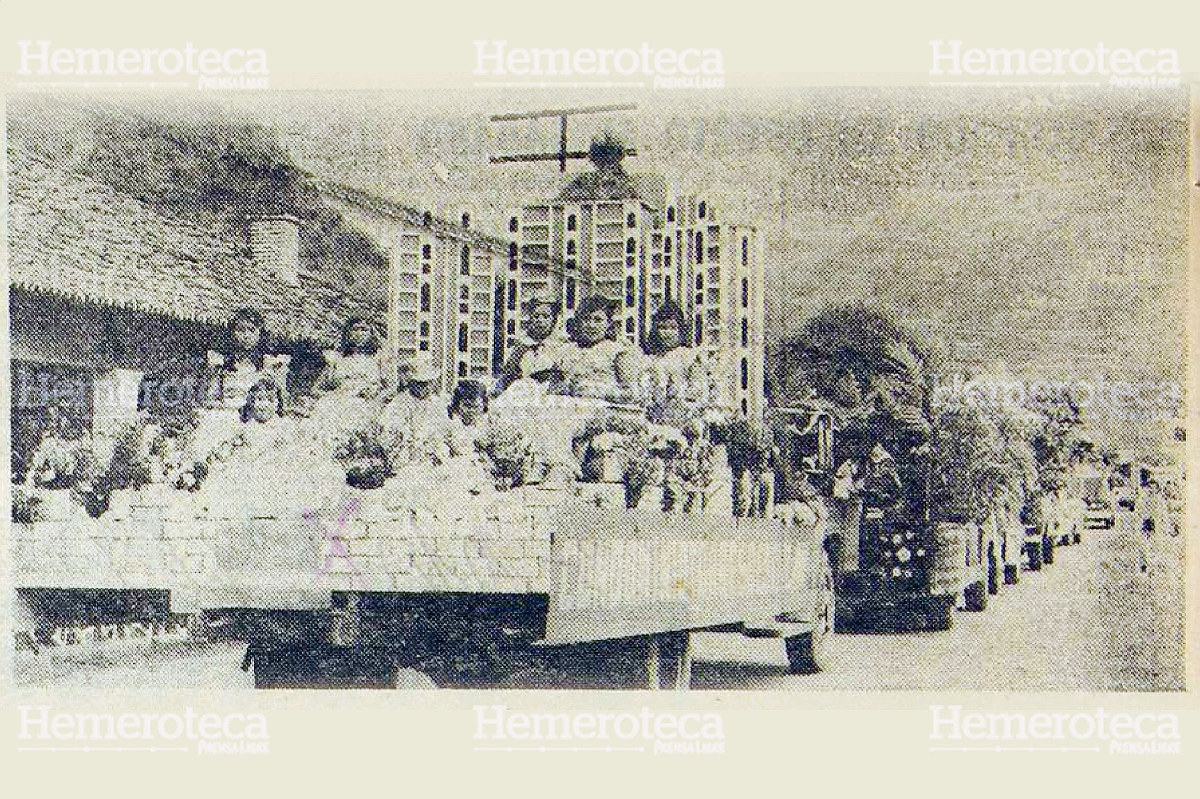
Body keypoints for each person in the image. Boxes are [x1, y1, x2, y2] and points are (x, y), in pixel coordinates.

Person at [553, 295, 638, 401]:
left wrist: (598, 392)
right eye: (586, 319)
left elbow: (632, 393)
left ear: (608, 324)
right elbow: (553, 385)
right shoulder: (566, 350)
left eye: (598, 320)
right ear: (579, 322)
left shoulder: (618, 351)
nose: (591, 325)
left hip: (603, 413)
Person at [640, 300, 709, 427]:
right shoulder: (651, 359)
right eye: (662, 328)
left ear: (681, 330)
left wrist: (678, 392)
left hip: (684, 417)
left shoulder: (688, 356)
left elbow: (699, 388)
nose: (667, 333)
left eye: (673, 327)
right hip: (655, 418)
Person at [378, 355, 444, 466]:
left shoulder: (437, 403)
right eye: (420, 384)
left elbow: (442, 428)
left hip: (430, 451)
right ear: (411, 383)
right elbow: (392, 427)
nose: (424, 388)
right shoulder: (400, 402)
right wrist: (409, 443)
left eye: (428, 383)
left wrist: (433, 446)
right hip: (406, 453)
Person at [496, 297, 568, 392]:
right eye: (536, 316)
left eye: (546, 317)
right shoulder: (521, 345)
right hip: (523, 392)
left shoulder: (561, 346)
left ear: (553, 320)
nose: (540, 320)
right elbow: (507, 375)